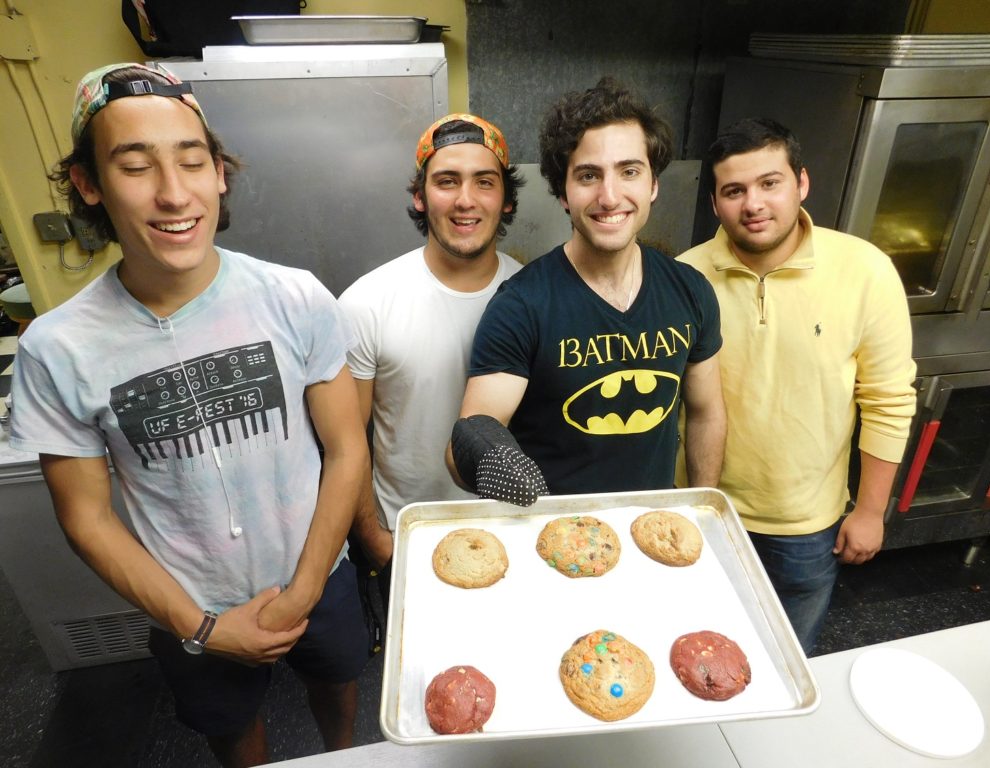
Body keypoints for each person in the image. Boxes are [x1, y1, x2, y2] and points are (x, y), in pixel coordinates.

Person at [9, 63, 371, 767]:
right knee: (229, 725)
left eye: (191, 160)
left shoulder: (295, 298)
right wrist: (201, 627)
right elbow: (86, 518)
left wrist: (303, 588)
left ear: (219, 173)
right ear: (89, 185)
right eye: (136, 166)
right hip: (190, 604)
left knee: (339, 682)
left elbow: (346, 447)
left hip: (318, 573)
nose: (174, 193)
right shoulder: (57, 350)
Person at [677, 117, 917, 654]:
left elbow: (888, 399)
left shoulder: (864, 270)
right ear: (715, 203)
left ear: (801, 183)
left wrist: (872, 511)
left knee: (786, 651)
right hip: (701, 509)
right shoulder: (684, 277)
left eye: (770, 183)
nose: (753, 204)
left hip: (806, 525)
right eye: (734, 191)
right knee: (697, 650)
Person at [447, 77, 726, 501]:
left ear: (653, 183)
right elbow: (466, 442)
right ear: (563, 192)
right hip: (550, 537)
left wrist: (703, 508)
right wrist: (489, 462)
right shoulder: (522, 306)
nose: (609, 196)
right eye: (588, 175)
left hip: (648, 527)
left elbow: (706, 414)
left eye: (629, 171)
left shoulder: (690, 290)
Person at [338, 114, 524, 581]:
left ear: (505, 199)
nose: (466, 200)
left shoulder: (534, 295)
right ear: (421, 197)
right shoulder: (367, 302)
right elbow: (346, 442)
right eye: (447, 181)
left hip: (514, 530)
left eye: (485, 182)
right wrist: (377, 541)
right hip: (409, 535)